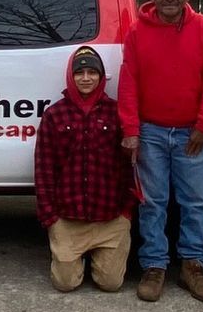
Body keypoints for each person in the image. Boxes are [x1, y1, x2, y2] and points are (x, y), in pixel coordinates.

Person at [118, 0, 203, 303]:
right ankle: (154, 265)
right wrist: (131, 131)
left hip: (191, 133)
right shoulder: (137, 32)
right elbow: (129, 82)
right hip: (150, 132)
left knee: (195, 203)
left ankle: (193, 264)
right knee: (153, 203)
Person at [34, 46, 135, 292]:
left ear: (101, 77)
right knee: (65, 284)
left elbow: (131, 166)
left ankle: (101, 259)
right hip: (68, 219)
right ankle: (72, 258)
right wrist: (51, 218)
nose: (86, 78)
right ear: (71, 76)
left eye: (92, 72)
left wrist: (127, 212)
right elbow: (44, 168)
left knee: (111, 284)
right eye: (80, 73)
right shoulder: (54, 115)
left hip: (111, 218)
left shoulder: (118, 113)